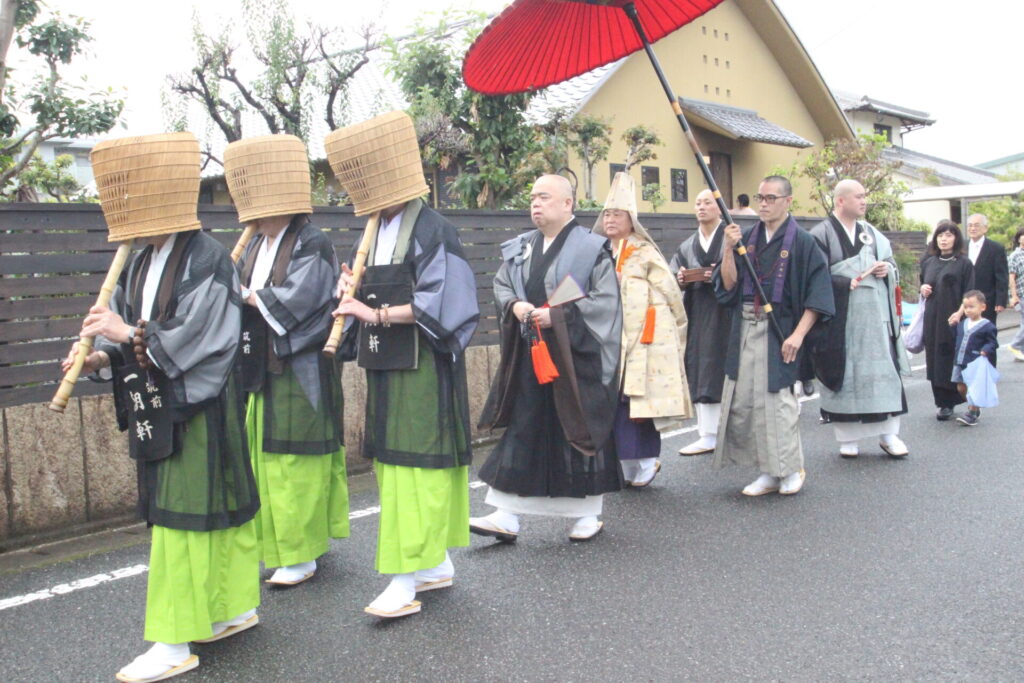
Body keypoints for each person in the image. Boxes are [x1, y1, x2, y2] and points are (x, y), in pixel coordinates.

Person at [63, 133, 260, 682]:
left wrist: (126, 332)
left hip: (199, 402)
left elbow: (207, 334)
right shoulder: (140, 260)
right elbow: (125, 334)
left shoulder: (210, 257)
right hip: (161, 398)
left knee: (185, 518)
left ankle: (174, 641)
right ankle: (232, 606)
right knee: (206, 510)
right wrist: (101, 357)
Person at [329, 110, 479, 619]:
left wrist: (374, 311)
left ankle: (403, 577)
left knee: (417, 466)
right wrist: (350, 292)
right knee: (393, 466)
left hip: (423, 371)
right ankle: (432, 562)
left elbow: (447, 301)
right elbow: (367, 296)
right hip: (387, 366)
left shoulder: (433, 227)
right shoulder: (374, 231)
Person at [225, 135, 348, 588]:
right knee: (264, 459)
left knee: (296, 461)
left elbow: (303, 298)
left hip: (300, 367)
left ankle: (302, 552)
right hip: (259, 364)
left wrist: (251, 297)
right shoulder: (256, 245)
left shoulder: (312, 242)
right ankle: (277, 546)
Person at [474, 173, 623, 541]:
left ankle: (587, 514)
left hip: (575, 358)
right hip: (532, 353)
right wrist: (517, 304)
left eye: (544, 197)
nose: (535, 204)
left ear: (567, 204)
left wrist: (557, 316)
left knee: (575, 427)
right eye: (532, 198)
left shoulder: (591, 248)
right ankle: (506, 513)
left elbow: (604, 303)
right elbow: (502, 284)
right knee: (525, 425)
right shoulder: (522, 246)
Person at [712, 175, 834, 496]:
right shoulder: (747, 236)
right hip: (745, 326)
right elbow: (727, 286)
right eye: (760, 197)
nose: (764, 204)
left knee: (778, 401)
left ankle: (791, 468)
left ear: (788, 201)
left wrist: (798, 335)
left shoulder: (804, 242)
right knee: (747, 400)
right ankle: (767, 471)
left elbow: (818, 295)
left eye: (771, 198)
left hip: (782, 331)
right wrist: (727, 248)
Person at [595, 172, 691, 486]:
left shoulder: (645, 253)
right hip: (608, 339)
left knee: (639, 403)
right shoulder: (598, 253)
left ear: (631, 219)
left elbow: (671, 295)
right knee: (612, 403)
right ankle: (623, 463)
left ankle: (647, 460)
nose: (609, 219)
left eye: (617, 214)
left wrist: (674, 331)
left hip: (643, 339)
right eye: (606, 213)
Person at [808, 179, 910, 459]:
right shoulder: (822, 233)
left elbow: (891, 263)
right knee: (846, 373)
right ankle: (848, 438)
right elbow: (814, 277)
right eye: (859, 196)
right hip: (843, 321)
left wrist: (885, 269)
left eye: (865, 196)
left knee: (884, 374)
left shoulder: (871, 233)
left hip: (875, 320)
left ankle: (889, 435)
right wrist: (842, 283)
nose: (864, 201)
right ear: (841, 200)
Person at [670, 189, 730, 456]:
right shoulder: (687, 245)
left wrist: (716, 274)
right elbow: (674, 273)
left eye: (707, 202)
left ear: (719, 208)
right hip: (697, 310)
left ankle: (729, 432)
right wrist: (681, 278)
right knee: (700, 366)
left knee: (724, 368)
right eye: (698, 203)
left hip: (726, 313)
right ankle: (706, 434)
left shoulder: (729, 238)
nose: (702, 207)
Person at [920, 220, 975, 420]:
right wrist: (923, 289)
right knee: (934, 358)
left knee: (950, 358)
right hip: (932, 318)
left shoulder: (964, 263)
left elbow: (970, 292)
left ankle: (953, 399)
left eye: (949, 235)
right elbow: (924, 284)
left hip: (954, 318)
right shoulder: (929, 262)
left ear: (956, 238)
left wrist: (961, 312)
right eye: (941, 235)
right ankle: (942, 402)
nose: (944, 239)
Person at [950, 290, 999, 426]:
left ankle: (972, 413)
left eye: (972, 307)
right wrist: (952, 326)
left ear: (982, 307)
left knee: (974, 388)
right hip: (959, 360)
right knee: (961, 387)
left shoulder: (987, 326)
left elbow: (993, 342)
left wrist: (985, 350)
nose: (968, 310)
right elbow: (957, 338)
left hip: (975, 362)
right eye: (965, 307)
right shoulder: (963, 324)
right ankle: (975, 406)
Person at [964, 213, 1008, 334]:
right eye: (970, 225)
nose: (973, 228)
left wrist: (1001, 301)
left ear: (985, 228)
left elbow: (1001, 276)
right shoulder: (961, 247)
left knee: (986, 333)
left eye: (977, 225)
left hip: (987, 299)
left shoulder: (996, 248)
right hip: (964, 300)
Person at [1006, 227, 1024, 361]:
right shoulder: (1014, 256)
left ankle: (1020, 351)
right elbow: (1011, 277)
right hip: (1021, 293)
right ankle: (1015, 344)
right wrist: (1014, 296)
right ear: (1018, 239)